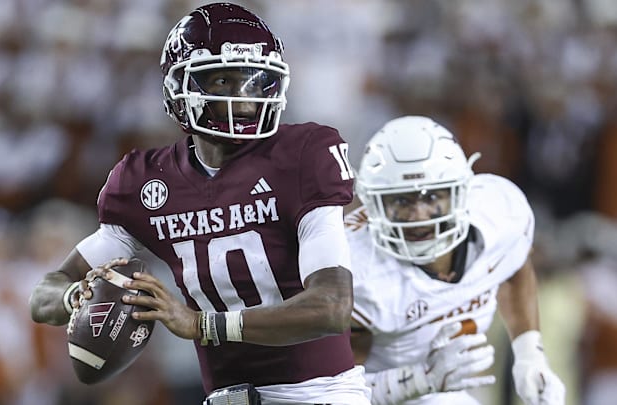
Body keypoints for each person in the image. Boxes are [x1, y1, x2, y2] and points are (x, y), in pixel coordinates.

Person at [29, 3, 373, 403]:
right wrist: (78, 296)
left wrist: (199, 324)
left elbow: (331, 307)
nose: (243, 100)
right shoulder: (146, 182)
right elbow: (44, 294)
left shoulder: (302, 156)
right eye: (224, 81)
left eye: (254, 81)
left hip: (320, 395)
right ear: (179, 88)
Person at [345, 116, 566, 405]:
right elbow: (330, 389)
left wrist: (529, 353)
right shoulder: (356, 268)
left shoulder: (497, 217)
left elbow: (513, 267)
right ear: (373, 204)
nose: (419, 216)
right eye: (401, 201)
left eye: (432, 196)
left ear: (462, 192)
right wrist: (419, 380)